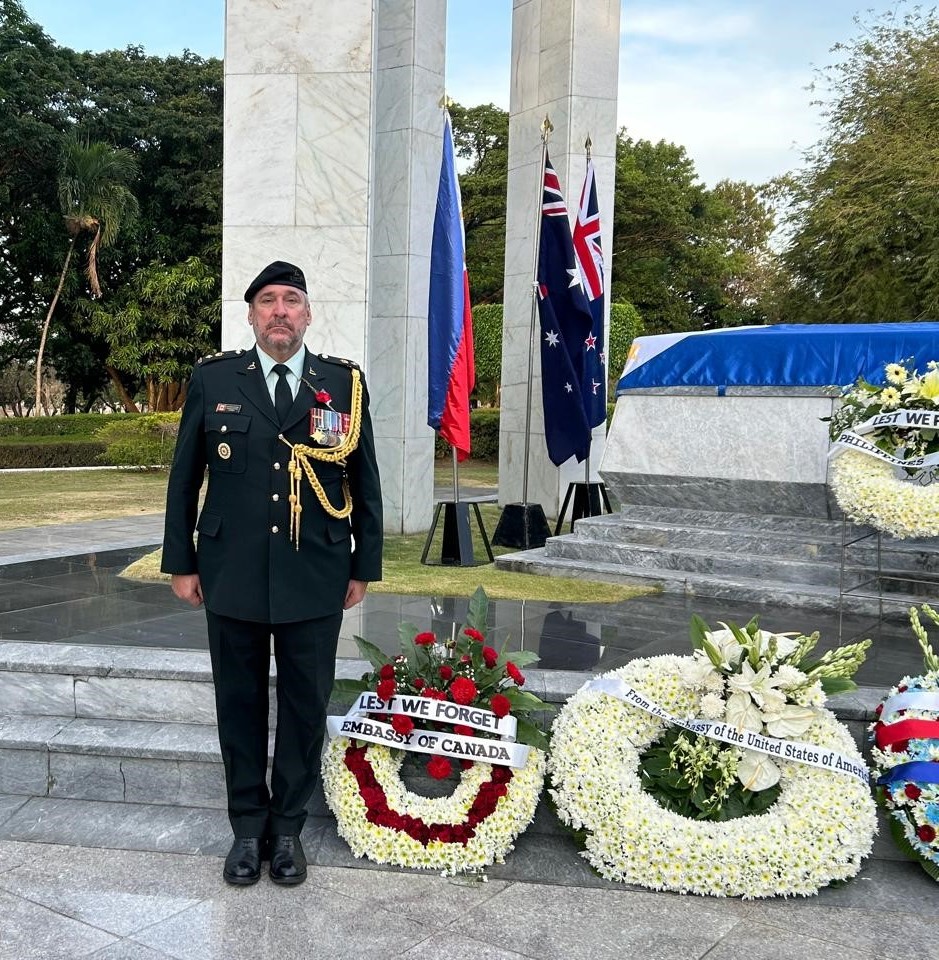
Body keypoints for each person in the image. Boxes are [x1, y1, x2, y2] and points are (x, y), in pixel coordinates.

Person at [161, 260, 383, 886]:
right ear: (251, 314)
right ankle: (246, 830)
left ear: (308, 314)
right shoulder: (214, 379)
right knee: (237, 703)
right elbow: (185, 478)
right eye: (267, 301)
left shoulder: (342, 386)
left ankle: (286, 830)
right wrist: (180, 560)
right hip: (229, 571)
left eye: (292, 300)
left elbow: (365, 481)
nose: (280, 311)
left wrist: (363, 564)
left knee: (306, 704)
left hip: (315, 570)